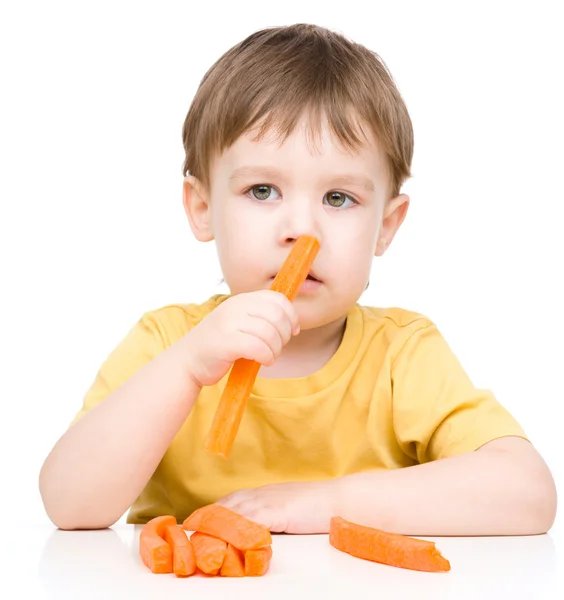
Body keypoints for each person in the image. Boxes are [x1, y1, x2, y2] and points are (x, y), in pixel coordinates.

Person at [39, 23, 557, 535]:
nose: (302, 230)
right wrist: (188, 368)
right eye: (263, 191)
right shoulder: (166, 343)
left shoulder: (402, 355)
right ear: (201, 208)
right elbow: (68, 504)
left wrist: (322, 503)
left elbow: (528, 495)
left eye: (338, 198)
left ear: (386, 226)